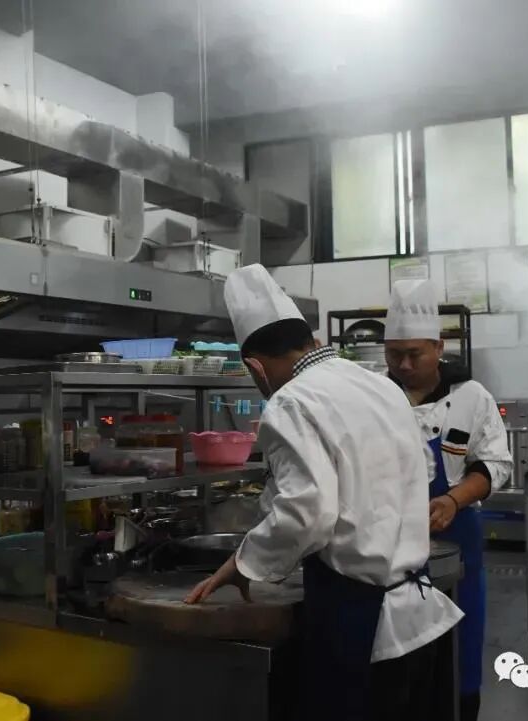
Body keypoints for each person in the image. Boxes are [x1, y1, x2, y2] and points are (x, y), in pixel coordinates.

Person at [186, 264, 462, 721]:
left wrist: (245, 562)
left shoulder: (291, 401)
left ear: (255, 367)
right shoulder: (380, 386)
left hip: (361, 623)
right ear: (310, 340)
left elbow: (308, 512)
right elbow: (418, 469)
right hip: (418, 613)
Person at [384, 278, 513, 721]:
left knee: (459, 648)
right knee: (398, 660)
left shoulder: (472, 397)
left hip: (456, 537)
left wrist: (454, 500)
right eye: (393, 354)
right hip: (389, 544)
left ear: (439, 347)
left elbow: (494, 464)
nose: (403, 365)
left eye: (414, 354)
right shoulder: (374, 397)